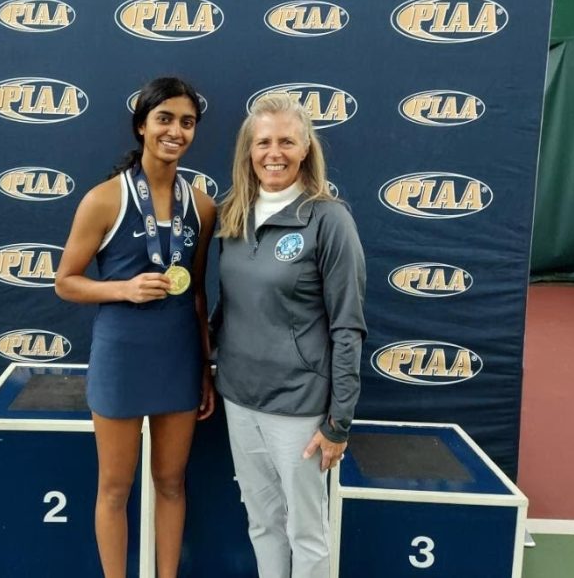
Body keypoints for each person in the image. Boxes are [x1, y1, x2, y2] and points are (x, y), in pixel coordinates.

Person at [55, 77, 216, 578]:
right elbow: (66, 282)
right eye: (164, 119)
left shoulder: (203, 205)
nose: (175, 131)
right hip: (122, 358)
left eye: (186, 122)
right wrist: (121, 289)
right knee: (115, 488)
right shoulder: (104, 200)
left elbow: (196, 293)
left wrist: (206, 369)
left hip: (178, 360)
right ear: (142, 125)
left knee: (171, 483)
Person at [211, 93, 366, 578]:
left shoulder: (329, 220)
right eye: (263, 142)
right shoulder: (232, 214)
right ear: (248, 151)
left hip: (300, 408)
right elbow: (228, 308)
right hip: (239, 399)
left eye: (285, 141)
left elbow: (348, 324)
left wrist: (339, 419)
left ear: (304, 149)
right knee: (262, 523)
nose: (273, 152)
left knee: (306, 532)